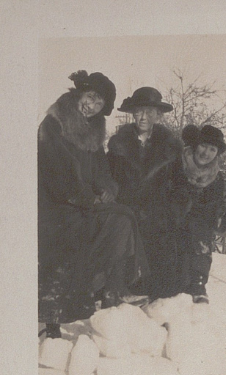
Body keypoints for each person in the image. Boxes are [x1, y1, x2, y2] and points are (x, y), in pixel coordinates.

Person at [38, 71, 149, 339]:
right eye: (90, 98)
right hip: (54, 206)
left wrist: (108, 190)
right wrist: (86, 197)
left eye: (99, 103)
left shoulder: (94, 132)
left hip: (82, 204)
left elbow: (102, 171)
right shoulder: (54, 124)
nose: (92, 105)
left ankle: (113, 291)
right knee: (92, 227)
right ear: (79, 93)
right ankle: (59, 313)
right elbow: (56, 172)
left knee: (123, 218)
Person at [107, 87, 187, 300]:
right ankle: (120, 294)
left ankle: (155, 301)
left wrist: (173, 211)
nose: (143, 117)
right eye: (139, 111)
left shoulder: (171, 148)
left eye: (149, 112)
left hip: (159, 216)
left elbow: (181, 186)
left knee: (163, 277)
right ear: (132, 113)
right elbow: (108, 179)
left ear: (158, 115)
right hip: (126, 213)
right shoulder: (118, 146)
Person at [171, 124, 226, 304]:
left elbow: (213, 217)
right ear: (195, 145)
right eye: (204, 146)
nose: (206, 153)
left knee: (200, 234)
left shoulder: (216, 178)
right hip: (170, 220)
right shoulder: (176, 165)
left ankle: (198, 284)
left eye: (212, 149)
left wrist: (223, 210)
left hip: (195, 230)